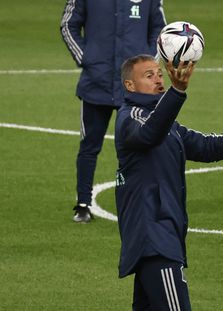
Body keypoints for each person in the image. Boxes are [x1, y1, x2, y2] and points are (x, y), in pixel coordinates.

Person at [115, 54, 223, 310]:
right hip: (154, 238)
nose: (158, 80)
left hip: (160, 238)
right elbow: (149, 134)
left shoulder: (168, 126)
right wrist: (177, 91)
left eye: (159, 74)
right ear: (130, 85)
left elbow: (205, 146)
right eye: (149, 76)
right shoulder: (131, 117)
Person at [60, 0, 166, 222]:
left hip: (135, 88)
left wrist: (147, 67)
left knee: (142, 146)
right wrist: (85, 58)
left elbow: (159, 29)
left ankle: (144, 202)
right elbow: (68, 24)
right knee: (89, 146)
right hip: (96, 84)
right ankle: (83, 204)